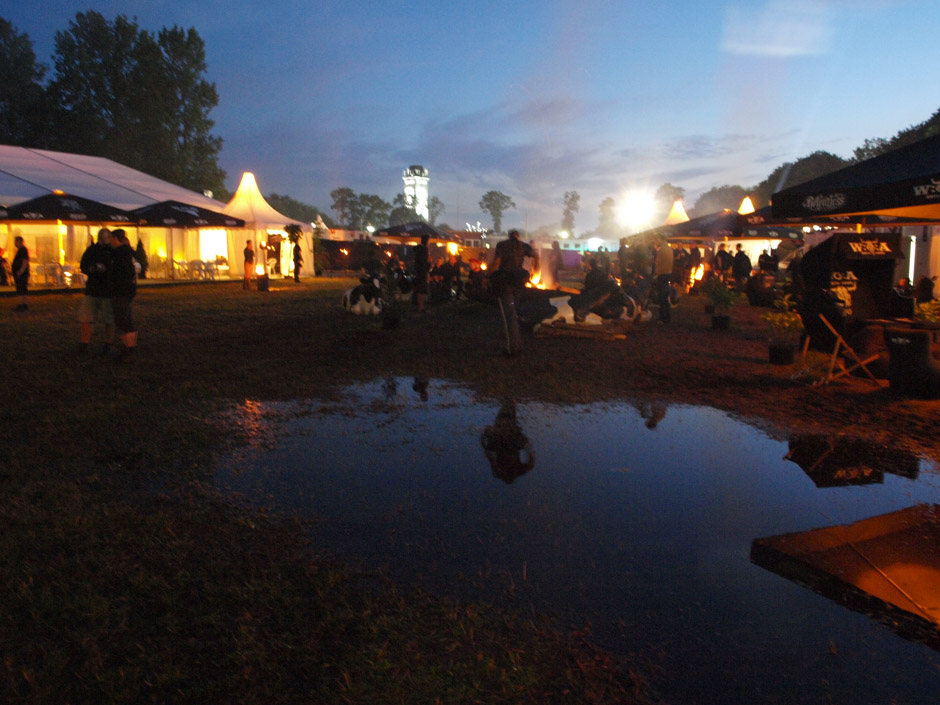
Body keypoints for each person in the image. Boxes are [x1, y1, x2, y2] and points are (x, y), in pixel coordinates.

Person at [490, 229, 537, 356]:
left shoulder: (502, 245)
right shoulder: (523, 246)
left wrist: (488, 275)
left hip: (505, 281)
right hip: (518, 282)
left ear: (509, 236)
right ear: (518, 236)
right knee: (513, 312)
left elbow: (496, 263)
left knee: (509, 314)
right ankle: (517, 344)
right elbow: (536, 255)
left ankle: (512, 348)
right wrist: (535, 271)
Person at [78, 228, 114, 354]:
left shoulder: (110, 251)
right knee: (88, 318)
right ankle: (86, 343)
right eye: (105, 237)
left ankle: (106, 344)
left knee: (108, 319)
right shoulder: (92, 250)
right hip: (95, 289)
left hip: (104, 289)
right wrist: (92, 269)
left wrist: (105, 269)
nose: (106, 240)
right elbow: (83, 266)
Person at [108, 229, 138, 362]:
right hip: (128, 291)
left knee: (122, 320)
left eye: (111, 238)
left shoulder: (119, 254)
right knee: (127, 320)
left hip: (121, 291)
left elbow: (120, 273)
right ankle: (130, 348)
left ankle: (127, 349)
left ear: (115, 239)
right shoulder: (128, 252)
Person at [653, 239, 674, 324]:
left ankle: (662, 318)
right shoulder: (669, 249)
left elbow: (658, 263)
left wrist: (655, 273)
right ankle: (667, 317)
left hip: (661, 274)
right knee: (665, 296)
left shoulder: (661, 250)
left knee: (662, 297)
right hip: (667, 273)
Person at [11, 236, 29, 311]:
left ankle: (21, 304)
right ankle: (24, 304)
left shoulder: (23, 250)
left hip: (21, 273)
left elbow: (25, 261)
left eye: (16, 242)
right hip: (22, 273)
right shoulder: (21, 250)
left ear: (19, 241)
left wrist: (21, 271)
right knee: (23, 288)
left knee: (20, 288)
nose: (15, 243)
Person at [413, 234, 430, 312]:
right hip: (422, 272)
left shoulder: (419, 249)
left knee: (420, 290)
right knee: (421, 290)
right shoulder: (423, 250)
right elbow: (424, 263)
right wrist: (429, 263)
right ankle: (420, 307)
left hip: (419, 271)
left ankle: (421, 306)